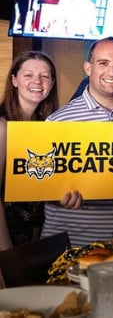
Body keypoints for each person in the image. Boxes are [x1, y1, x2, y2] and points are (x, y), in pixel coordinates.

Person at [41, 38, 113, 246]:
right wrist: (56, 195)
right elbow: (38, 182)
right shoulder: (58, 120)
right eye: (103, 63)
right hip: (71, 243)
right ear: (88, 68)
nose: (112, 73)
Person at [0, 52, 60, 250]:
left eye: (45, 76)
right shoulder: (2, 126)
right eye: (28, 75)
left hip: (36, 234)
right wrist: (6, 253)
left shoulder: (46, 125)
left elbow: (40, 184)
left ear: (51, 83)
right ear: (14, 80)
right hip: (7, 237)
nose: (37, 81)